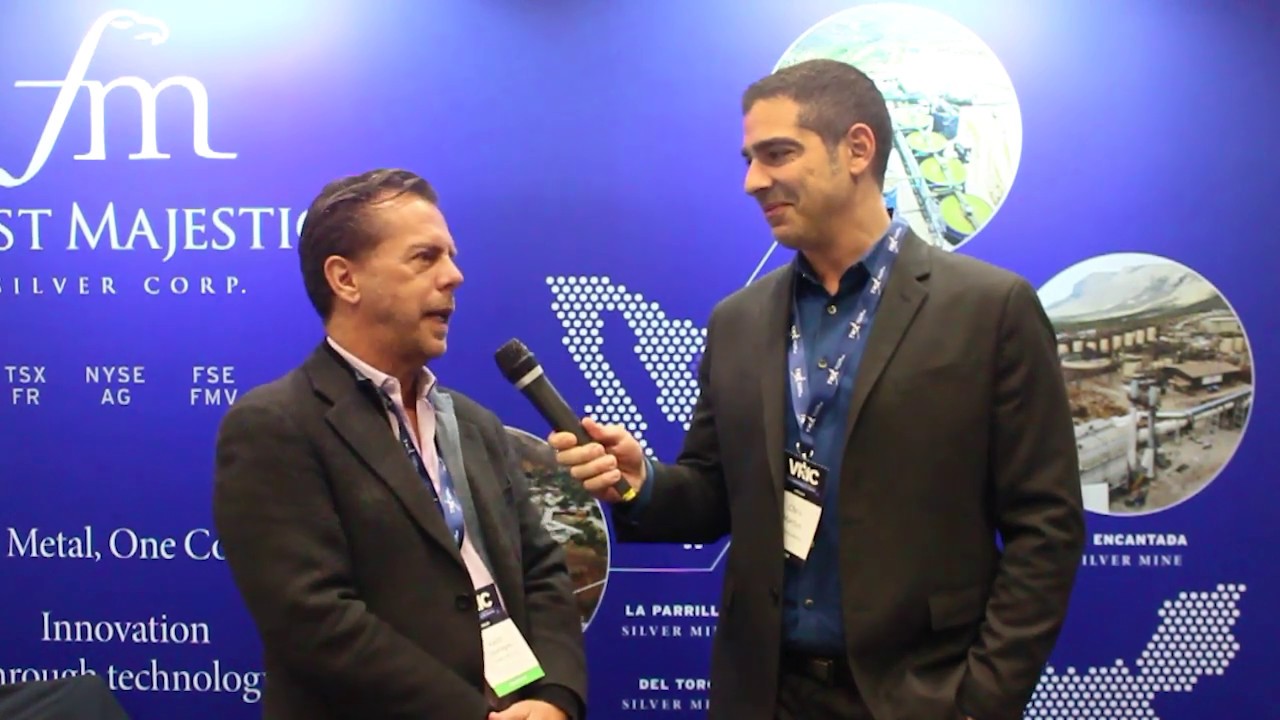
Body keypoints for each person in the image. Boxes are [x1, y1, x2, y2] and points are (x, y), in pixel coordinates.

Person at [549, 59, 1085, 720]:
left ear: (857, 149)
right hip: (765, 695)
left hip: (919, 696)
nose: (752, 181)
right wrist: (643, 482)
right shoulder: (738, 321)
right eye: (749, 159)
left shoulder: (989, 310)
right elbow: (714, 494)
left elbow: (1046, 527)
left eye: (777, 154)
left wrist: (981, 702)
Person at [213, 168, 588, 720]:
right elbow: (314, 622)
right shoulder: (275, 426)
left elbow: (543, 572)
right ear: (345, 279)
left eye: (451, 256)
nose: (454, 276)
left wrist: (554, 697)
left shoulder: (475, 424)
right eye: (425, 258)